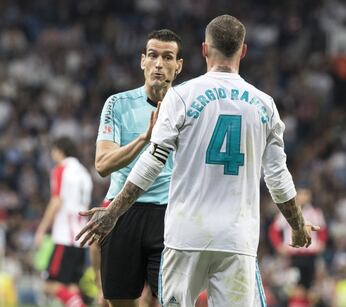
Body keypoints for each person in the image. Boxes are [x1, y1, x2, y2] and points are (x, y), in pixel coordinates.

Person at [76, 15, 320, 307]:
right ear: (243, 51)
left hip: (183, 234)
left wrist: (113, 211)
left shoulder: (181, 96)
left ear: (204, 49)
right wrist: (296, 223)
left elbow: (153, 160)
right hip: (236, 237)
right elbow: (278, 177)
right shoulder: (264, 104)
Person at [89, 29, 183, 307]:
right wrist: (144, 139)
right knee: (120, 302)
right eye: (152, 55)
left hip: (168, 215)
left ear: (179, 66)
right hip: (121, 212)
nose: (159, 64)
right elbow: (102, 165)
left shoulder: (190, 107)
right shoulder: (117, 104)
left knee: (173, 301)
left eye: (168, 57)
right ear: (142, 61)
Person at [35, 137, 93, 307]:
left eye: (53, 151)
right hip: (82, 238)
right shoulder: (84, 173)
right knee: (72, 286)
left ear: (60, 151)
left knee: (48, 285)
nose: (52, 155)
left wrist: (41, 229)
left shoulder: (61, 169)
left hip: (64, 237)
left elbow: (56, 201)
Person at [269, 187, 327, 305]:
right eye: (301, 194)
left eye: (306, 194)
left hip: (311, 255)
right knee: (293, 287)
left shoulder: (315, 212)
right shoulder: (287, 211)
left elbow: (323, 230)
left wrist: (321, 243)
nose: (303, 197)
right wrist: (278, 245)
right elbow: (274, 230)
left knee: (310, 289)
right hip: (293, 256)